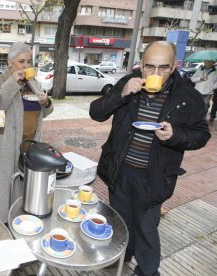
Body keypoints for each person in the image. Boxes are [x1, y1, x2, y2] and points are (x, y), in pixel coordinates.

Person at [89, 41, 210, 276]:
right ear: (141, 65)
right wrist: (122, 94)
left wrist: (176, 135)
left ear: (174, 66)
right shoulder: (128, 83)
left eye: (163, 68)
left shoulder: (188, 96)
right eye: (149, 67)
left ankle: (147, 271)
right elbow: (96, 112)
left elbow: (201, 135)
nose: (155, 74)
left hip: (154, 175)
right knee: (121, 222)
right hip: (120, 169)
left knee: (146, 227)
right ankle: (122, 255)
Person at [0, 42, 53, 223]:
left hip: (28, 148)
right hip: (3, 148)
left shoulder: (33, 83)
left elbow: (43, 113)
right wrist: (13, 81)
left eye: (29, 61)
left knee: (21, 192)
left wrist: (46, 102)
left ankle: (17, 223)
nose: (26, 66)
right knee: (1, 193)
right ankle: (0, 227)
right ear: (10, 62)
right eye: (21, 61)